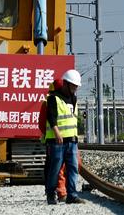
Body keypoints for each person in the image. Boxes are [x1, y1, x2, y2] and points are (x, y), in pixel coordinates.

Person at [44, 69, 85, 205]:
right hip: (57, 141)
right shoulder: (53, 98)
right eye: (73, 85)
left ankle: (72, 195)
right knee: (55, 169)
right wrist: (56, 133)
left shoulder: (73, 99)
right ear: (66, 84)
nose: (75, 88)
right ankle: (51, 195)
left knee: (73, 168)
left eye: (76, 86)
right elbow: (51, 117)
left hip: (71, 141)